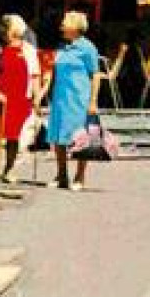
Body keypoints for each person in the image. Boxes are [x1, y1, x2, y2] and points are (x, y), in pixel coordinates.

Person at [45, 10, 103, 191]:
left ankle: (80, 175)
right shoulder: (62, 47)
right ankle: (61, 174)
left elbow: (95, 74)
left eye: (65, 22)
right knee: (58, 135)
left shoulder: (87, 48)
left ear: (76, 27)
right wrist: (45, 91)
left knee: (81, 137)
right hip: (61, 97)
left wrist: (93, 101)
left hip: (79, 96)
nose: (61, 26)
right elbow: (54, 71)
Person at [0, 15, 39, 185]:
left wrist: (36, 98)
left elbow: (35, 74)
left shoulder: (28, 49)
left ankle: (9, 169)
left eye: (5, 28)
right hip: (0, 96)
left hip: (20, 97)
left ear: (15, 31)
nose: (2, 31)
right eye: (2, 28)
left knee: (14, 136)